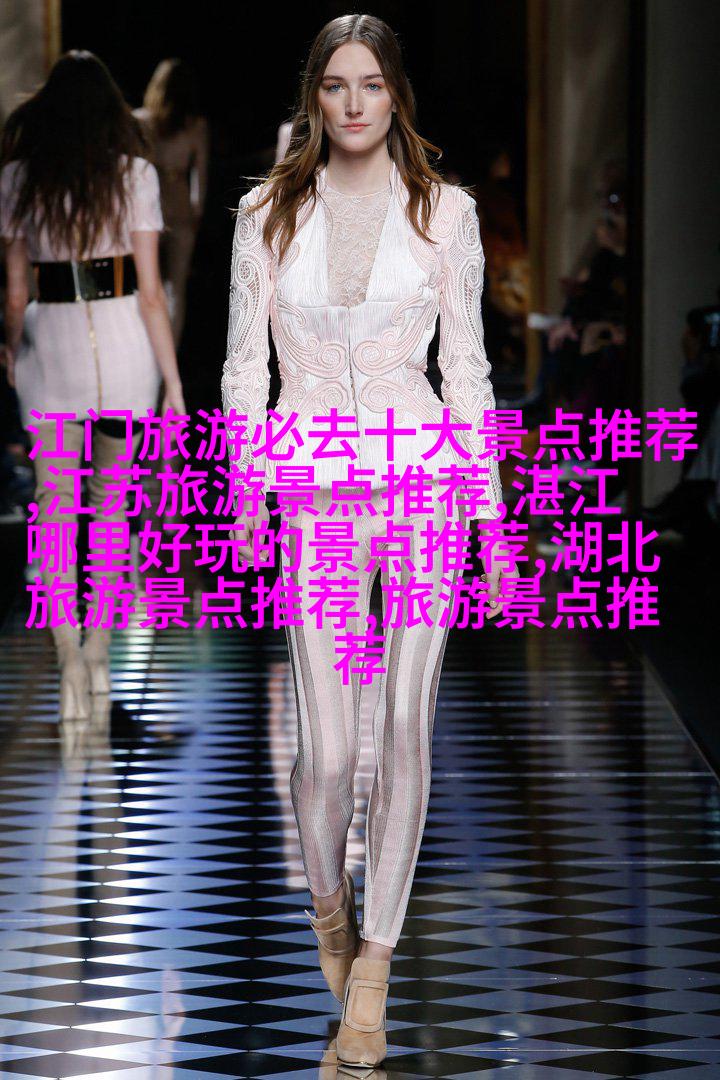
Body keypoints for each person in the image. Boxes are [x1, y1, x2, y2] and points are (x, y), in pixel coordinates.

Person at [221, 14, 517, 1067]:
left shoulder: (446, 212)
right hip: (312, 491)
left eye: (373, 84)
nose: (355, 103)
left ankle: (377, 967)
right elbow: (244, 368)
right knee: (325, 757)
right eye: (337, 85)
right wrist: (244, 490)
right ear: (315, 96)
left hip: (425, 484)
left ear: (397, 95)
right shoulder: (265, 213)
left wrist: (491, 518)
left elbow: (468, 368)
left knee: (404, 731)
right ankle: (329, 911)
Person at [0, 50, 185, 721]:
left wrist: (12, 346)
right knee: (110, 510)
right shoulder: (134, 174)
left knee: (53, 507)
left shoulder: (18, 178)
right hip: (124, 349)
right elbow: (152, 293)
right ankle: (99, 648)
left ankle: (68, 658)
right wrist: (173, 382)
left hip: (51, 349)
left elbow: (15, 292)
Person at [134, 59, 209, 347]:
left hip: (147, 205)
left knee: (145, 284)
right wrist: (196, 214)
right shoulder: (196, 126)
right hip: (179, 207)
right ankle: (169, 357)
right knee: (175, 288)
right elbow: (199, 177)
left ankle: (147, 353)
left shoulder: (140, 121)